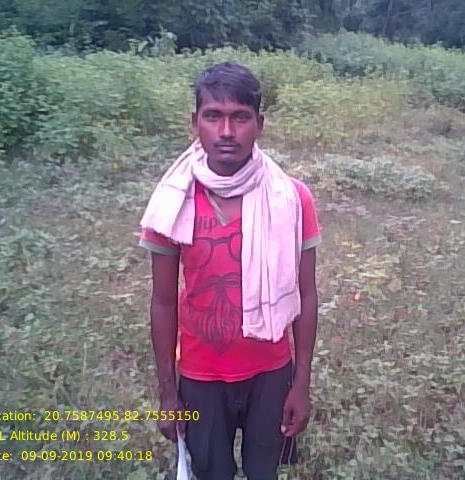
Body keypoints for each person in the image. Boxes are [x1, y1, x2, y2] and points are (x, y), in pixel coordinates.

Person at [138, 62, 321, 480]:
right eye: (212, 116)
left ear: (259, 124)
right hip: (200, 376)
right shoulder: (172, 202)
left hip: (271, 373)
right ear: (195, 123)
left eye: (240, 117)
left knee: (264, 472)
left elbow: (307, 295)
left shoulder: (292, 198)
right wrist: (167, 393)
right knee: (212, 472)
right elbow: (163, 302)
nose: (225, 131)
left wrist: (301, 384)